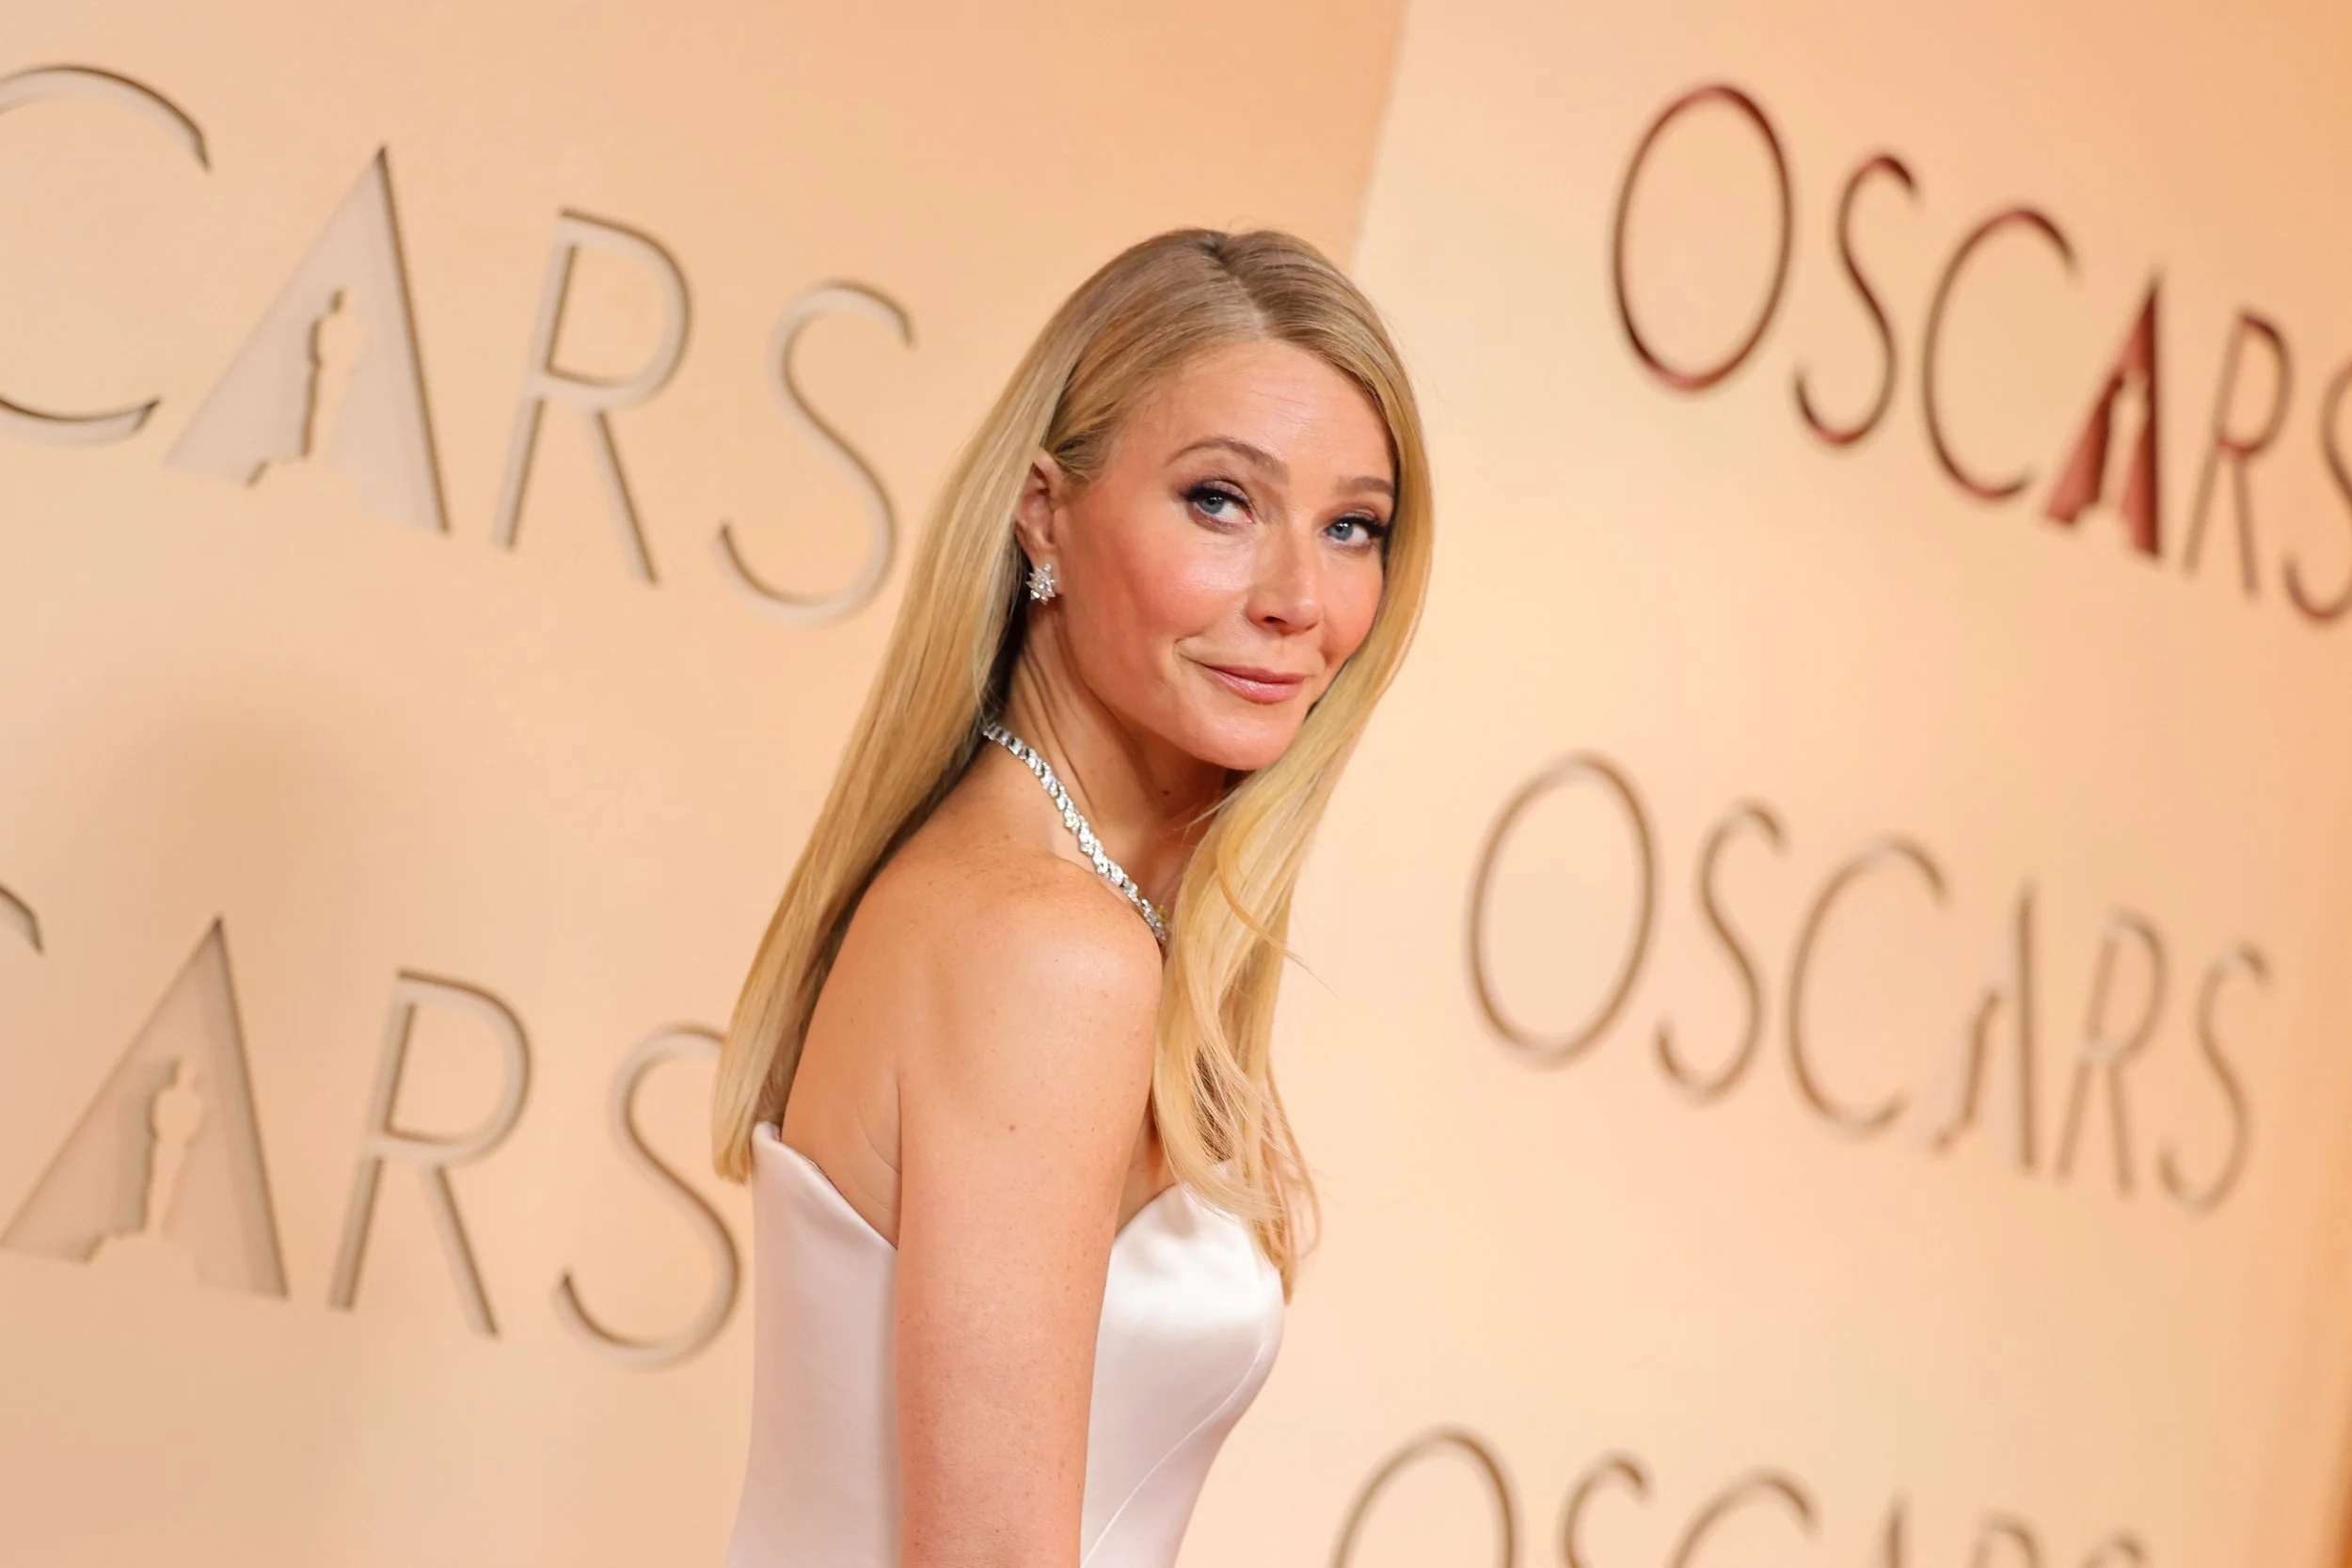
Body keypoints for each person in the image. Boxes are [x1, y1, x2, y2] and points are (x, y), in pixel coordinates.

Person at [710, 226, 1433, 1568]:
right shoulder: (1049, 949)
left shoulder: (1013, 893)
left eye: (1352, 527)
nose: (1299, 598)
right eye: (1222, 500)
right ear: (1046, 508)